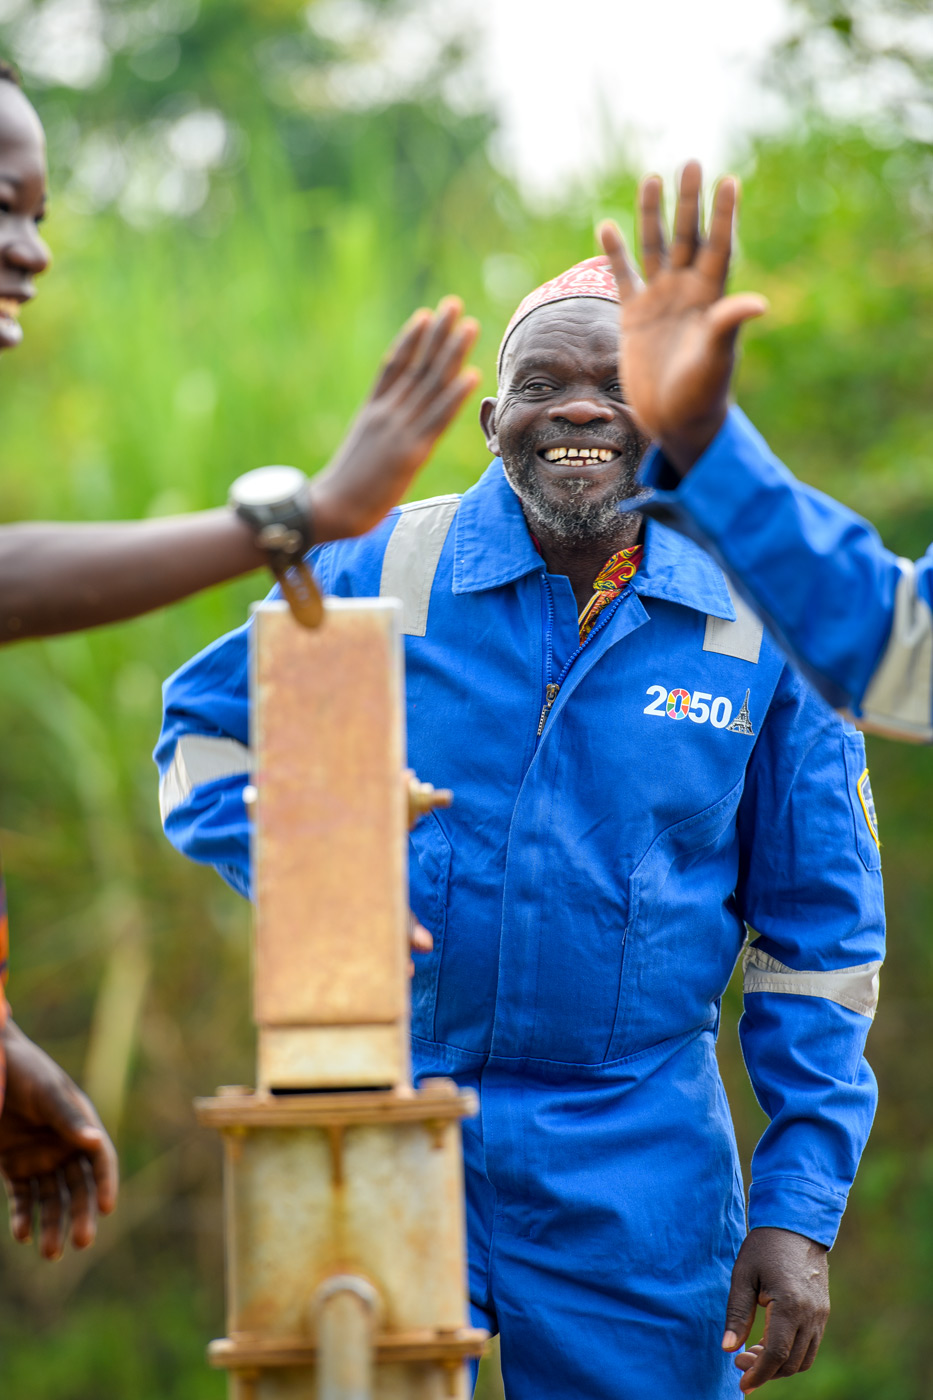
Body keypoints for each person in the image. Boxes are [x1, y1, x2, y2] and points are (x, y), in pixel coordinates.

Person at [157, 256, 885, 1398]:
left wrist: (799, 1208)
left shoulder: (763, 617)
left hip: (636, 1151)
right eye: (543, 383)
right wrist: (314, 880)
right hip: (388, 1109)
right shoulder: (384, 564)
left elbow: (820, 951)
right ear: (496, 420)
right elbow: (204, 735)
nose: (582, 407)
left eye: (623, 382)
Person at [0, 61, 479, 1259]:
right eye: (2, 207)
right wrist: (300, 516)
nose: (33, 250)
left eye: (40, 215)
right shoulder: (389, 571)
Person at [598, 162, 928, 746]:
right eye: (540, 386)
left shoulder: (744, 629)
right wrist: (702, 439)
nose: (580, 410)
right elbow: (901, 648)